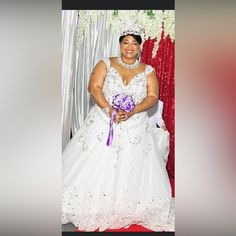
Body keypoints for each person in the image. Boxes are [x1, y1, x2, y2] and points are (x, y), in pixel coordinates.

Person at [62, 24, 175, 232]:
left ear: (140, 47)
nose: (129, 47)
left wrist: (133, 111)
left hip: (135, 124)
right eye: (126, 42)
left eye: (134, 43)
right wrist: (109, 110)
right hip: (104, 120)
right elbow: (93, 87)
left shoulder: (148, 70)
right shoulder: (105, 63)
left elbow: (152, 97)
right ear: (120, 44)